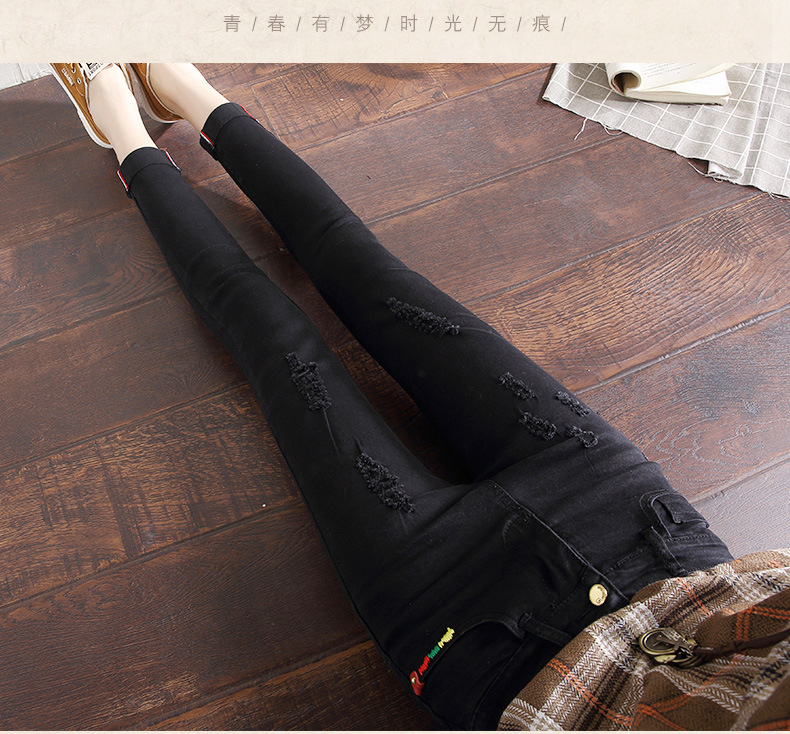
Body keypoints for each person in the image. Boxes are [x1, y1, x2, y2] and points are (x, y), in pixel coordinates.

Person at [49, 63, 789, 730]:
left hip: (488, 648)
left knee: (276, 344)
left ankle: (126, 138)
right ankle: (191, 96)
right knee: (371, 273)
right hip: (650, 546)